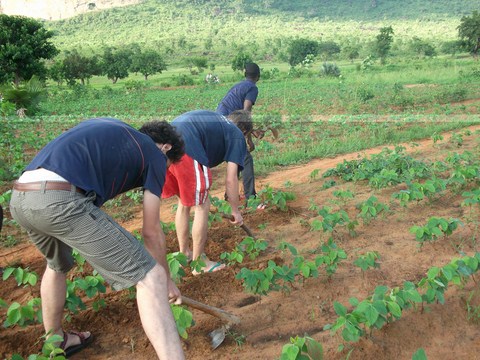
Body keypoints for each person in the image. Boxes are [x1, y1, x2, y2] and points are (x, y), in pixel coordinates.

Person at [9, 118, 186, 360]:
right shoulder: (154, 154)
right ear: (165, 147)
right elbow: (151, 230)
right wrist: (166, 280)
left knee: (57, 265)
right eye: (167, 166)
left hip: (20, 197)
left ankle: (58, 339)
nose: (163, 172)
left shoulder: (116, 131)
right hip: (58, 199)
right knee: (150, 276)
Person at [162, 109, 251, 274]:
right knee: (202, 204)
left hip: (164, 147)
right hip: (185, 148)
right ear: (244, 131)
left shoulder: (217, 120)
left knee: (184, 203)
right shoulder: (237, 134)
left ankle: (185, 254)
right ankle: (199, 263)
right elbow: (231, 178)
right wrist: (235, 211)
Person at [216, 62, 263, 206]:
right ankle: (251, 197)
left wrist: (250, 131)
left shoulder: (238, 86)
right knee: (245, 158)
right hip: (229, 124)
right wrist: (249, 139)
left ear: (245, 74)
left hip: (220, 121)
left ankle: (229, 196)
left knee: (235, 157)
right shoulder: (252, 88)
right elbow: (245, 112)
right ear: (258, 76)